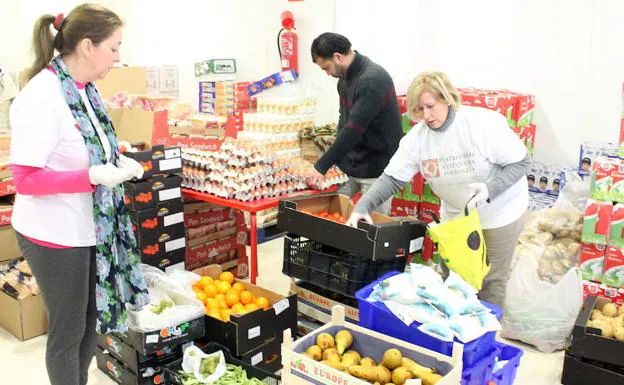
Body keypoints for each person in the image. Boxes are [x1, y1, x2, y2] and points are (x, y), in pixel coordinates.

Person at [9, 5, 148, 385]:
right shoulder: (42, 95)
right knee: (68, 331)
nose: (118, 58)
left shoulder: (85, 91)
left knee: (91, 322)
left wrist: (120, 160)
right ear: (88, 46)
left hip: (90, 226)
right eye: (114, 48)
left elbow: (93, 147)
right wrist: (90, 176)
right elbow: (26, 179)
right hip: (53, 234)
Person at [347, 71, 530, 306]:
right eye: (419, 110)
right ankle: (452, 336)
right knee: (453, 278)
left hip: (498, 213)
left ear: (447, 98)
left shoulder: (480, 125)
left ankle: (485, 337)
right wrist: (363, 206)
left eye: (431, 106)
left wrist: (490, 189)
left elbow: (522, 162)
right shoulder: (418, 139)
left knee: (490, 281)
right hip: (457, 215)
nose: (427, 116)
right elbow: (392, 178)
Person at [307, 32, 403, 214]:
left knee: (372, 227)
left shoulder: (372, 81)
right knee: (337, 216)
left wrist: (322, 166)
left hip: (377, 168)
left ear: (338, 57)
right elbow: (344, 122)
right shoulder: (344, 81)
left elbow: (353, 131)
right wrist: (337, 162)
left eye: (326, 67)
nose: (327, 73)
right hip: (354, 164)